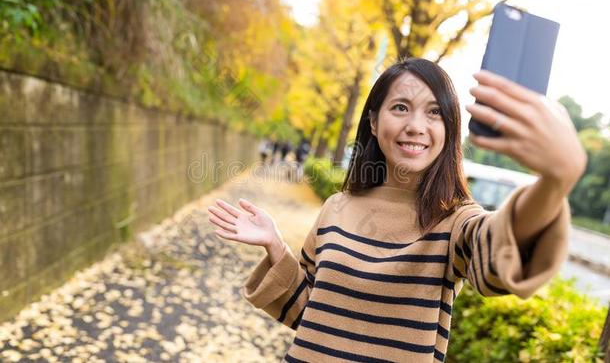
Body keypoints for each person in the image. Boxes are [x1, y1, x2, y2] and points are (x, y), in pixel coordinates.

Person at [207, 58, 586, 362]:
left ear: (450, 127)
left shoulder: (455, 220)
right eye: (400, 107)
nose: (416, 126)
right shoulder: (337, 208)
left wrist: (554, 183)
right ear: (373, 120)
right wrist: (275, 245)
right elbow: (310, 317)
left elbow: (497, 256)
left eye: (434, 112)